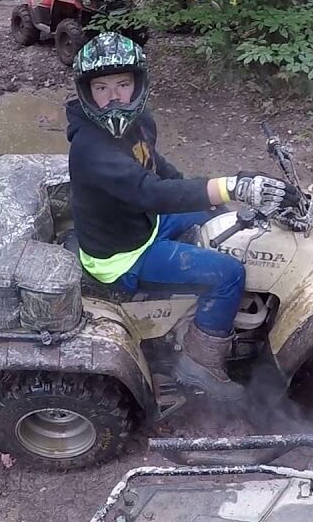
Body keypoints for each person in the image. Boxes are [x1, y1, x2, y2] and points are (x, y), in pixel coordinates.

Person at [65, 33, 299, 400]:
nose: (113, 97)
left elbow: (155, 166)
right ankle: (200, 363)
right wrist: (232, 185)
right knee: (229, 273)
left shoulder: (140, 121)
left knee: (212, 209)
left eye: (123, 85)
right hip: (119, 256)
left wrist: (200, 190)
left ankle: (203, 297)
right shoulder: (90, 148)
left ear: (138, 84)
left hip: (142, 224)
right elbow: (150, 192)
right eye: (102, 87)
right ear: (86, 91)